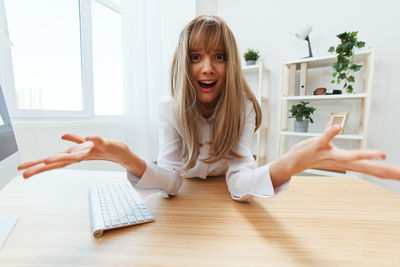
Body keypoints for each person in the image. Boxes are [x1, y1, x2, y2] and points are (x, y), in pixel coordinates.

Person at [18, 15, 400, 201]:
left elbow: (239, 180)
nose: (206, 67)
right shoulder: (168, 107)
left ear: (230, 62)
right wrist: (129, 159)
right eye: (195, 56)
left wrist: (290, 164)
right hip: (189, 200)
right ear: (183, 63)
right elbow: (171, 181)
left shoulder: (243, 107)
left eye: (218, 56)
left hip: (220, 194)